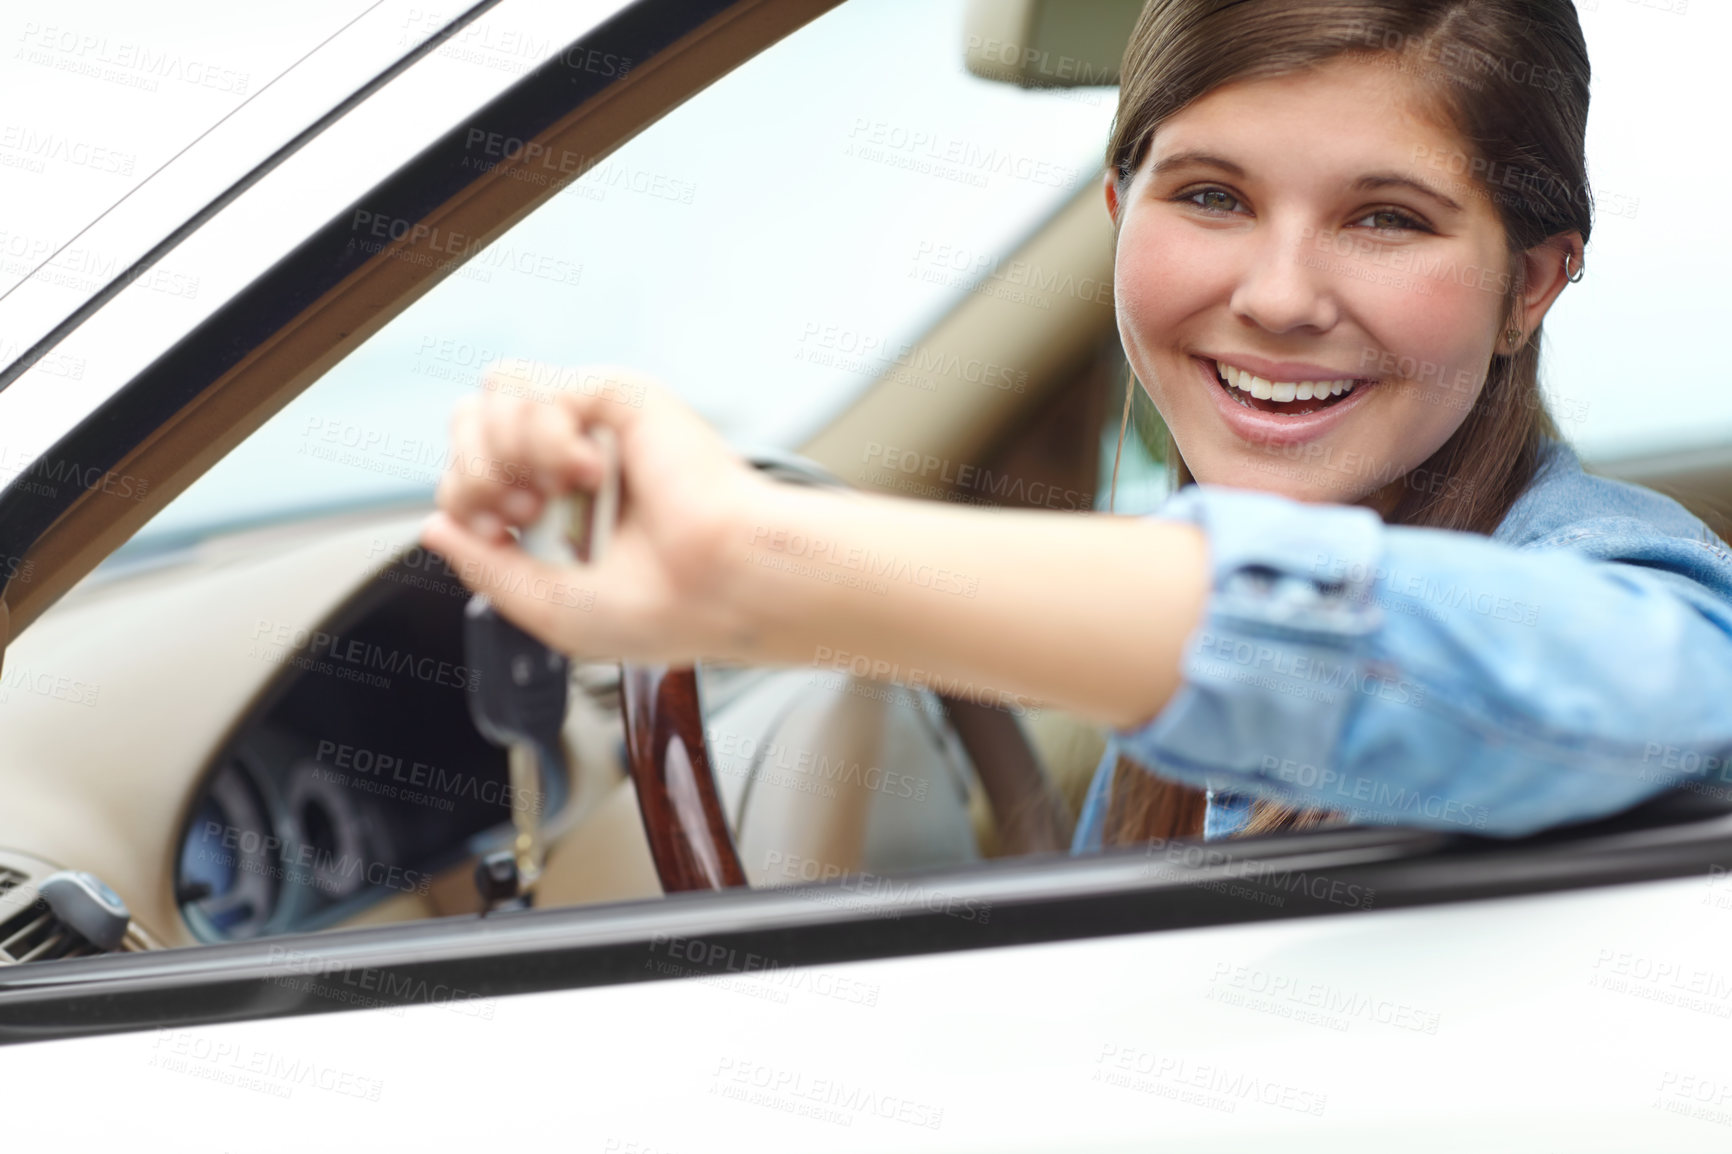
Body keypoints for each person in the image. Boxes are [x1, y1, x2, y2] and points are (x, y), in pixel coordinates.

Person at [419, 0, 1732, 854]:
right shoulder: (1186, 651)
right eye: (1211, 197)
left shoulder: (1621, 575)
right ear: (1119, 213)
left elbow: (1652, 683)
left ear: (1534, 281)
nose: (1274, 298)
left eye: (1385, 217)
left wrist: (770, 568)